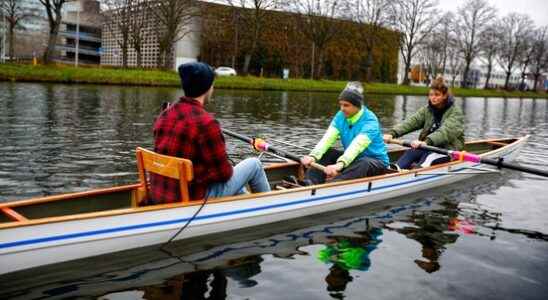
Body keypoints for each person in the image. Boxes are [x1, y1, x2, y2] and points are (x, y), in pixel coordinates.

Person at [150, 62, 270, 203]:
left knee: (237, 186)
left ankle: (246, 204)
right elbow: (224, 174)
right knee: (254, 164)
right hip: (194, 198)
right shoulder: (207, 123)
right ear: (207, 88)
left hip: (163, 193)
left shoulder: (165, 114)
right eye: (212, 84)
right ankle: (270, 209)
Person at [301, 82, 389, 184]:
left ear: (358, 106)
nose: (342, 109)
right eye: (341, 105)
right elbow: (327, 139)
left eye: (346, 105)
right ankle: (309, 183)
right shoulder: (340, 116)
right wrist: (313, 156)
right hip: (353, 160)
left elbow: (357, 145)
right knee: (328, 152)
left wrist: (339, 165)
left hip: (376, 162)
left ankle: (332, 186)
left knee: (364, 162)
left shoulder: (370, 121)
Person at [383, 76, 464, 169]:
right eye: (431, 95)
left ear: (444, 96)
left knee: (425, 162)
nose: (433, 98)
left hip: (447, 149)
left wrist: (427, 141)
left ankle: (416, 170)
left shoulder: (456, 112)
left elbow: (445, 132)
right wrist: (392, 133)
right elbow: (411, 122)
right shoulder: (427, 110)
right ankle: (394, 170)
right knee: (410, 152)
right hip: (426, 146)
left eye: (437, 95)